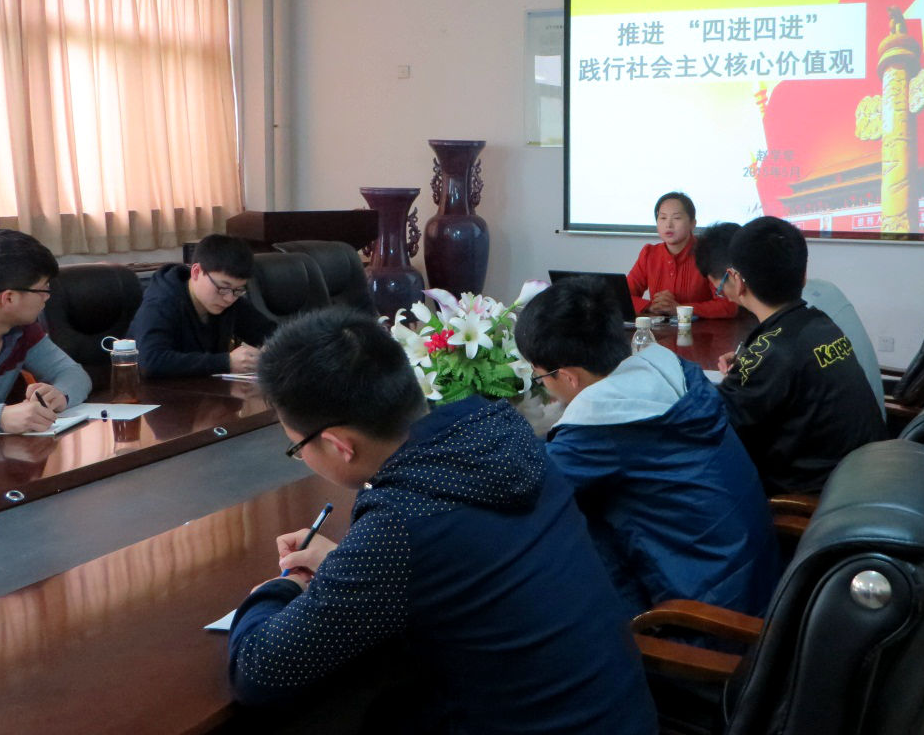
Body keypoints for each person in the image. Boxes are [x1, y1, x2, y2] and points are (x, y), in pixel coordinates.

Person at [228, 307, 657, 735]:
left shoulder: (400, 522)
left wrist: (280, 588)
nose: (301, 458)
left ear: (340, 445)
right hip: (622, 714)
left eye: (296, 448)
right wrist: (349, 565)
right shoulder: (502, 431)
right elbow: (459, 559)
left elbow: (259, 671)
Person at [515, 276, 779, 621]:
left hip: (706, 620)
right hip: (755, 582)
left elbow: (528, 484)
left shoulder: (604, 430)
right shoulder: (673, 372)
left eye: (539, 376)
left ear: (567, 376)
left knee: (548, 543)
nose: (544, 388)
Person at [697, 217, 885, 495]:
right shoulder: (820, 322)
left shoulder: (773, 352)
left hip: (813, 499)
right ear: (803, 275)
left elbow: (711, 427)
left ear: (737, 281)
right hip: (864, 479)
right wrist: (750, 367)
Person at [0, 229, 91, 435]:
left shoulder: (22, 329)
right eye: (43, 290)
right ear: (9, 298)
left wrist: (59, 394)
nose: (47, 297)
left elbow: (73, 373)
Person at [129, 234, 276, 378]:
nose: (229, 299)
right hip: (159, 391)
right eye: (223, 287)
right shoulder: (161, 301)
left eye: (238, 290)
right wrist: (226, 362)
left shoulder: (231, 299)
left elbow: (273, 334)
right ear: (196, 272)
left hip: (207, 389)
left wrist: (270, 349)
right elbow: (149, 362)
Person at [626, 191, 737, 318]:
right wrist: (651, 306)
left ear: (692, 223)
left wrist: (680, 309)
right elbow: (622, 297)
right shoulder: (649, 254)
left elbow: (728, 306)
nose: (668, 225)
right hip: (662, 329)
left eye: (677, 218)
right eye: (663, 218)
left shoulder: (707, 252)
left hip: (705, 329)